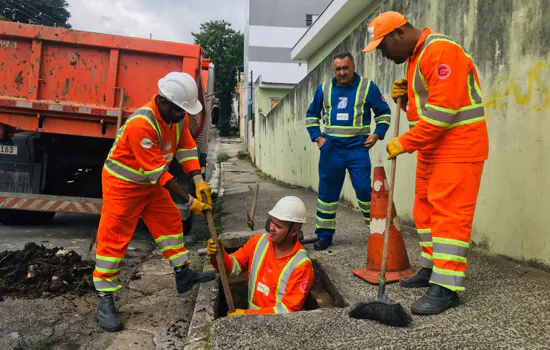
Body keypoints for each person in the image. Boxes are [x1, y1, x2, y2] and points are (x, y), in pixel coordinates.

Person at [363, 11, 489, 315]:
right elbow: (424, 112)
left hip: (458, 147)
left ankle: (447, 287)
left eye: (383, 47)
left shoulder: (440, 51)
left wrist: (403, 143)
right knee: (425, 210)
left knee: (449, 215)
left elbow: (441, 115)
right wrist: (406, 99)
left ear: (399, 34)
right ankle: (432, 269)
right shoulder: (416, 58)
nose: (383, 54)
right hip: (434, 149)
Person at [93, 72, 217, 332]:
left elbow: (185, 147)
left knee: (171, 223)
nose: (183, 116)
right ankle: (105, 297)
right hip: (123, 186)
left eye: (185, 111)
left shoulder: (176, 119)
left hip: (149, 185)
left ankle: (183, 274)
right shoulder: (142, 124)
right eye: (179, 110)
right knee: (114, 239)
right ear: (163, 101)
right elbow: (159, 174)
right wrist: (190, 200)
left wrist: (198, 178)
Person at [305, 52, 392, 251]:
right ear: (333, 70)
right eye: (338, 69)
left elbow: (384, 113)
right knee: (327, 193)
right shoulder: (323, 89)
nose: (342, 72)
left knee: (363, 189)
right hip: (331, 150)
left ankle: (376, 230)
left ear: (353, 67)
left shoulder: (367, 87)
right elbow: (311, 116)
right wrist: (318, 137)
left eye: (346, 68)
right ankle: (324, 235)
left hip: (357, 149)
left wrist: (377, 134)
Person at [206, 196, 314, 315]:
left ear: (294, 231)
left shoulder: (301, 265)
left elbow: (289, 310)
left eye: (278, 226)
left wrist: (245, 315)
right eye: (272, 221)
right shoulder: (258, 242)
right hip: (252, 324)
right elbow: (231, 267)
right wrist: (219, 255)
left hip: (280, 328)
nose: (271, 228)